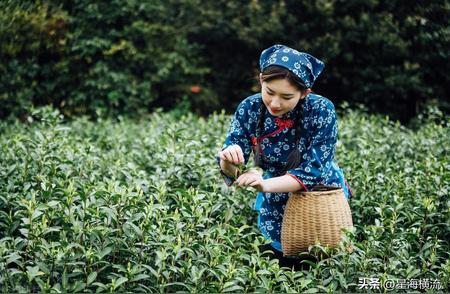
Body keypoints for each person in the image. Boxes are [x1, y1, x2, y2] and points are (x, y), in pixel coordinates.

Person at [216, 44, 353, 268]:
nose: (275, 103)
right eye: (269, 92)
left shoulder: (321, 110)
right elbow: (232, 167)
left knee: (322, 261)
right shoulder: (249, 108)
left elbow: (314, 171)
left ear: (304, 93)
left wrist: (265, 185)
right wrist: (228, 159)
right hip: (275, 196)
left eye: (286, 96)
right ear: (261, 80)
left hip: (318, 196)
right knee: (281, 265)